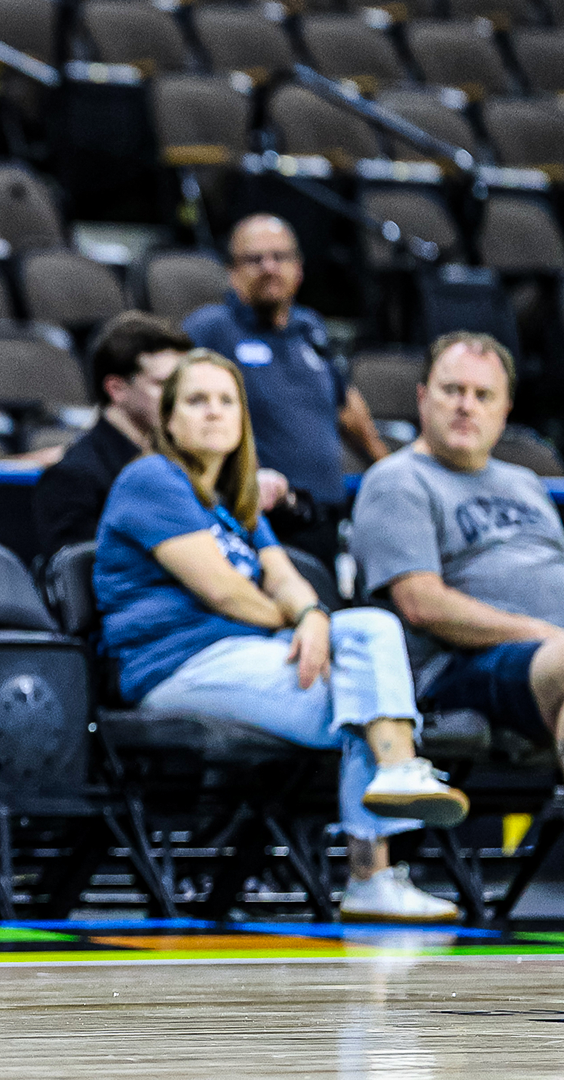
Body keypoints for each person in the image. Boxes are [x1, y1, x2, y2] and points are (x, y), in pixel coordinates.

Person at [95, 350, 471, 921]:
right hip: (176, 668)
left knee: (370, 630)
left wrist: (315, 614)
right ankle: (374, 868)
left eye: (227, 401)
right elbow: (224, 591)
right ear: (168, 419)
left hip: (249, 657)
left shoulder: (233, 500)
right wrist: (300, 620)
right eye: (196, 401)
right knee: (367, 703)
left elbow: (285, 577)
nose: (214, 413)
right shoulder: (151, 479)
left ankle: (394, 786)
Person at [351, 332, 564, 765]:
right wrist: (544, 633)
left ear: (504, 412)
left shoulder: (524, 482)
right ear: (423, 397)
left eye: (483, 395)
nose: (467, 406)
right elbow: (421, 604)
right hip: (459, 669)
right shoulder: (398, 480)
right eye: (453, 391)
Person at [184, 215, 391, 566]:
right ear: (233, 272)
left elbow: (345, 406)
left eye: (280, 257)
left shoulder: (310, 327)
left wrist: (388, 467)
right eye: (255, 259)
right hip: (259, 514)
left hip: (324, 513)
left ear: (299, 269)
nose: (269, 267)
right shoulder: (210, 330)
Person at [33, 311, 191, 558]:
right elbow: (79, 582)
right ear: (116, 389)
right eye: (163, 384)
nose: (180, 396)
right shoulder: (74, 477)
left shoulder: (185, 463)